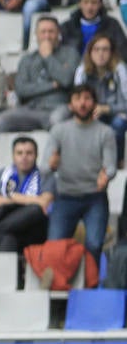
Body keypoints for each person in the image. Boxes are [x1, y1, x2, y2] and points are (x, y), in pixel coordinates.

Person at [47, 83, 117, 276]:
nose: (82, 103)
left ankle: (90, 288)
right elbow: (46, 165)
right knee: (55, 247)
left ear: (94, 103)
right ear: (70, 105)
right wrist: (52, 164)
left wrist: (106, 175)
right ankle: (61, 290)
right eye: (77, 99)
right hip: (65, 196)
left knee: (94, 244)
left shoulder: (105, 132)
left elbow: (110, 166)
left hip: (94, 197)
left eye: (87, 98)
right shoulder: (59, 131)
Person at [0, 15, 77, 149]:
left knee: (57, 120)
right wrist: (53, 85)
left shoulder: (70, 54)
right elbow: (22, 90)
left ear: (58, 34)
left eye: (51, 31)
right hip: (31, 108)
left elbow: (66, 80)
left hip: (59, 107)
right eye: (43, 32)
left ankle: (56, 161)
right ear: (36, 35)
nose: (47, 36)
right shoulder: (27, 59)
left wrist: (48, 56)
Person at [72, 32, 127, 163]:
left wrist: (106, 109)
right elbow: (78, 101)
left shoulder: (120, 70)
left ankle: (116, 161)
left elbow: (125, 103)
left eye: (105, 49)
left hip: (116, 113)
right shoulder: (82, 71)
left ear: (111, 52)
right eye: (96, 49)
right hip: (92, 113)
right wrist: (89, 111)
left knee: (118, 124)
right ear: (90, 52)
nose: (100, 54)